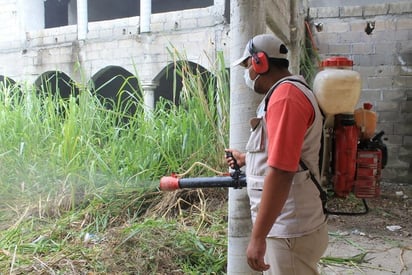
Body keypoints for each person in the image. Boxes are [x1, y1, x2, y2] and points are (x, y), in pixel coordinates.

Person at [226, 33, 328, 274]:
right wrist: (247, 159)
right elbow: (285, 153)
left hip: (288, 229)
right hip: (289, 225)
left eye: (248, 65)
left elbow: (282, 171)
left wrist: (257, 237)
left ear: (261, 62)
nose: (247, 73)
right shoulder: (286, 93)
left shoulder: (286, 97)